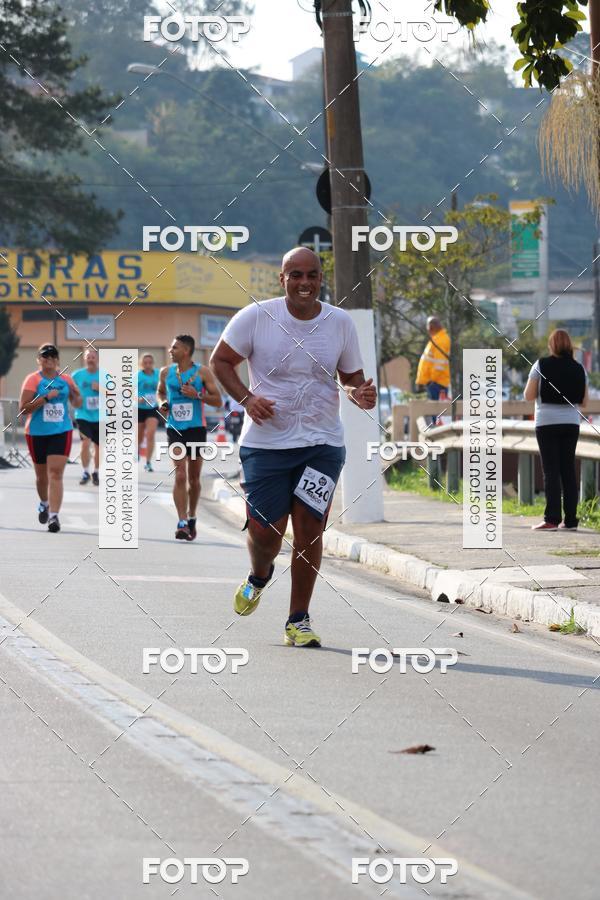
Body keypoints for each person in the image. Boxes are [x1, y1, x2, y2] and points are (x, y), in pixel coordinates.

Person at [210, 246, 377, 648]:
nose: (305, 283)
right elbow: (220, 361)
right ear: (282, 279)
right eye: (296, 275)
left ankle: (298, 619)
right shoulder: (256, 317)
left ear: (321, 279)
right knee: (267, 535)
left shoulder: (339, 323)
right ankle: (259, 574)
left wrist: (358, 393)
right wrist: (247, 399)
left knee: (309, 531)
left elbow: (351, 377)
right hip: (265, 445)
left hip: (322, 443)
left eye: (312, 275)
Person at [157, 335, 221, 541]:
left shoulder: (202, 372)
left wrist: (198, 395)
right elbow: (160, 392)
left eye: (174, 347)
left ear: (186, 351)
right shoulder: (165, 372)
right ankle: (182, 522)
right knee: (180, 475)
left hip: (195, 429)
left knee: (194, 479)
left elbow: (218, 401)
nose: (170, 350)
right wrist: (163, 403)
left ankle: (192, 516)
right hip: (174, 429)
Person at [524, 329, 588, 531]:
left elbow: (528, 395)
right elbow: (584, 402)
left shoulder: (540, 365)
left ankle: (551, 519)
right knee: (568, 470)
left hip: (546, 423)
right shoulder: (579, 368)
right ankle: (570, 521)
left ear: (551, 345)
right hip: (571, 423)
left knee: (551, 471)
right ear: (569, 345)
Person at [19, 343, 82, 532]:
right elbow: (23, 409)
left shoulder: (66, 379)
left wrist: (76, 395)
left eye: (53, 357)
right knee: (41, 477)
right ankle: (44, 503)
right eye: (45, 356)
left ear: (58, 360)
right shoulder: (33, 380)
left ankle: (54, 516)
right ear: (39, 360)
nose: (49, 360)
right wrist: (45, 398)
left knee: (55, 473)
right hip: (36, 432)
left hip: (61, 431)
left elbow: (77, 403)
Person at [72, 347, 101, 486]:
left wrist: (101, 389)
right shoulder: (77, 375)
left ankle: (96, 472)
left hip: (101, 417)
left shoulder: (105, 375)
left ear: (97, 359)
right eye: (88, 357)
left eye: (93, 357)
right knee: (85, 443)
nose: (90, 359)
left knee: (99, 447)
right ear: (84, 359)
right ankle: (85, 472)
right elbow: (70, 392)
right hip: (83, 415)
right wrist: (75, 399)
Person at [415, 316, 451, 401]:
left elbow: (439, 364)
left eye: (428, 327)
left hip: (436, 384)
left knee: (435, 408)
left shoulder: (441, 341)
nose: (428, 330)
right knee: (433, 408)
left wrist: (432, 381)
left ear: (432, 327)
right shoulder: (436, 339)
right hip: (433, 383)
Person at [137, 353, 161, 473]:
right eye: (145, 363)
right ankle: (137, 450)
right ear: (141, 364)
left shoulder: (158, 374)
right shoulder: (137, 376)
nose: (147, 365)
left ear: (153, 363)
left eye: (150, 363)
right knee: (140, 435)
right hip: (140, 408)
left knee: (150, 434)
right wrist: (137, 398)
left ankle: (148, 462)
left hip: (153, 407)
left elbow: (163, 388)